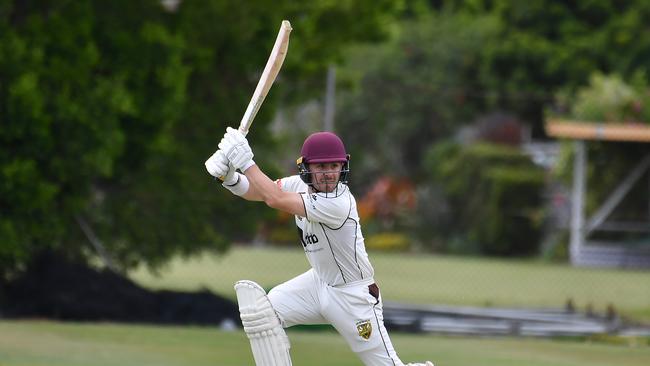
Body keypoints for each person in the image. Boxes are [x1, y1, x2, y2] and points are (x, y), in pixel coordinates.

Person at [205, 127, 433, 366]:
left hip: (352, 296)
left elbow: (275, 198)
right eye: (321, 167)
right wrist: (229, 178)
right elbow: (260, 192)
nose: (328, 174)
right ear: (307, 168)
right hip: (318, 283)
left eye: (333, 166)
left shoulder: (339, 203)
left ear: (342, 167)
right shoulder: (298, 186)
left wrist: (246, 162)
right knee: (263, 313)